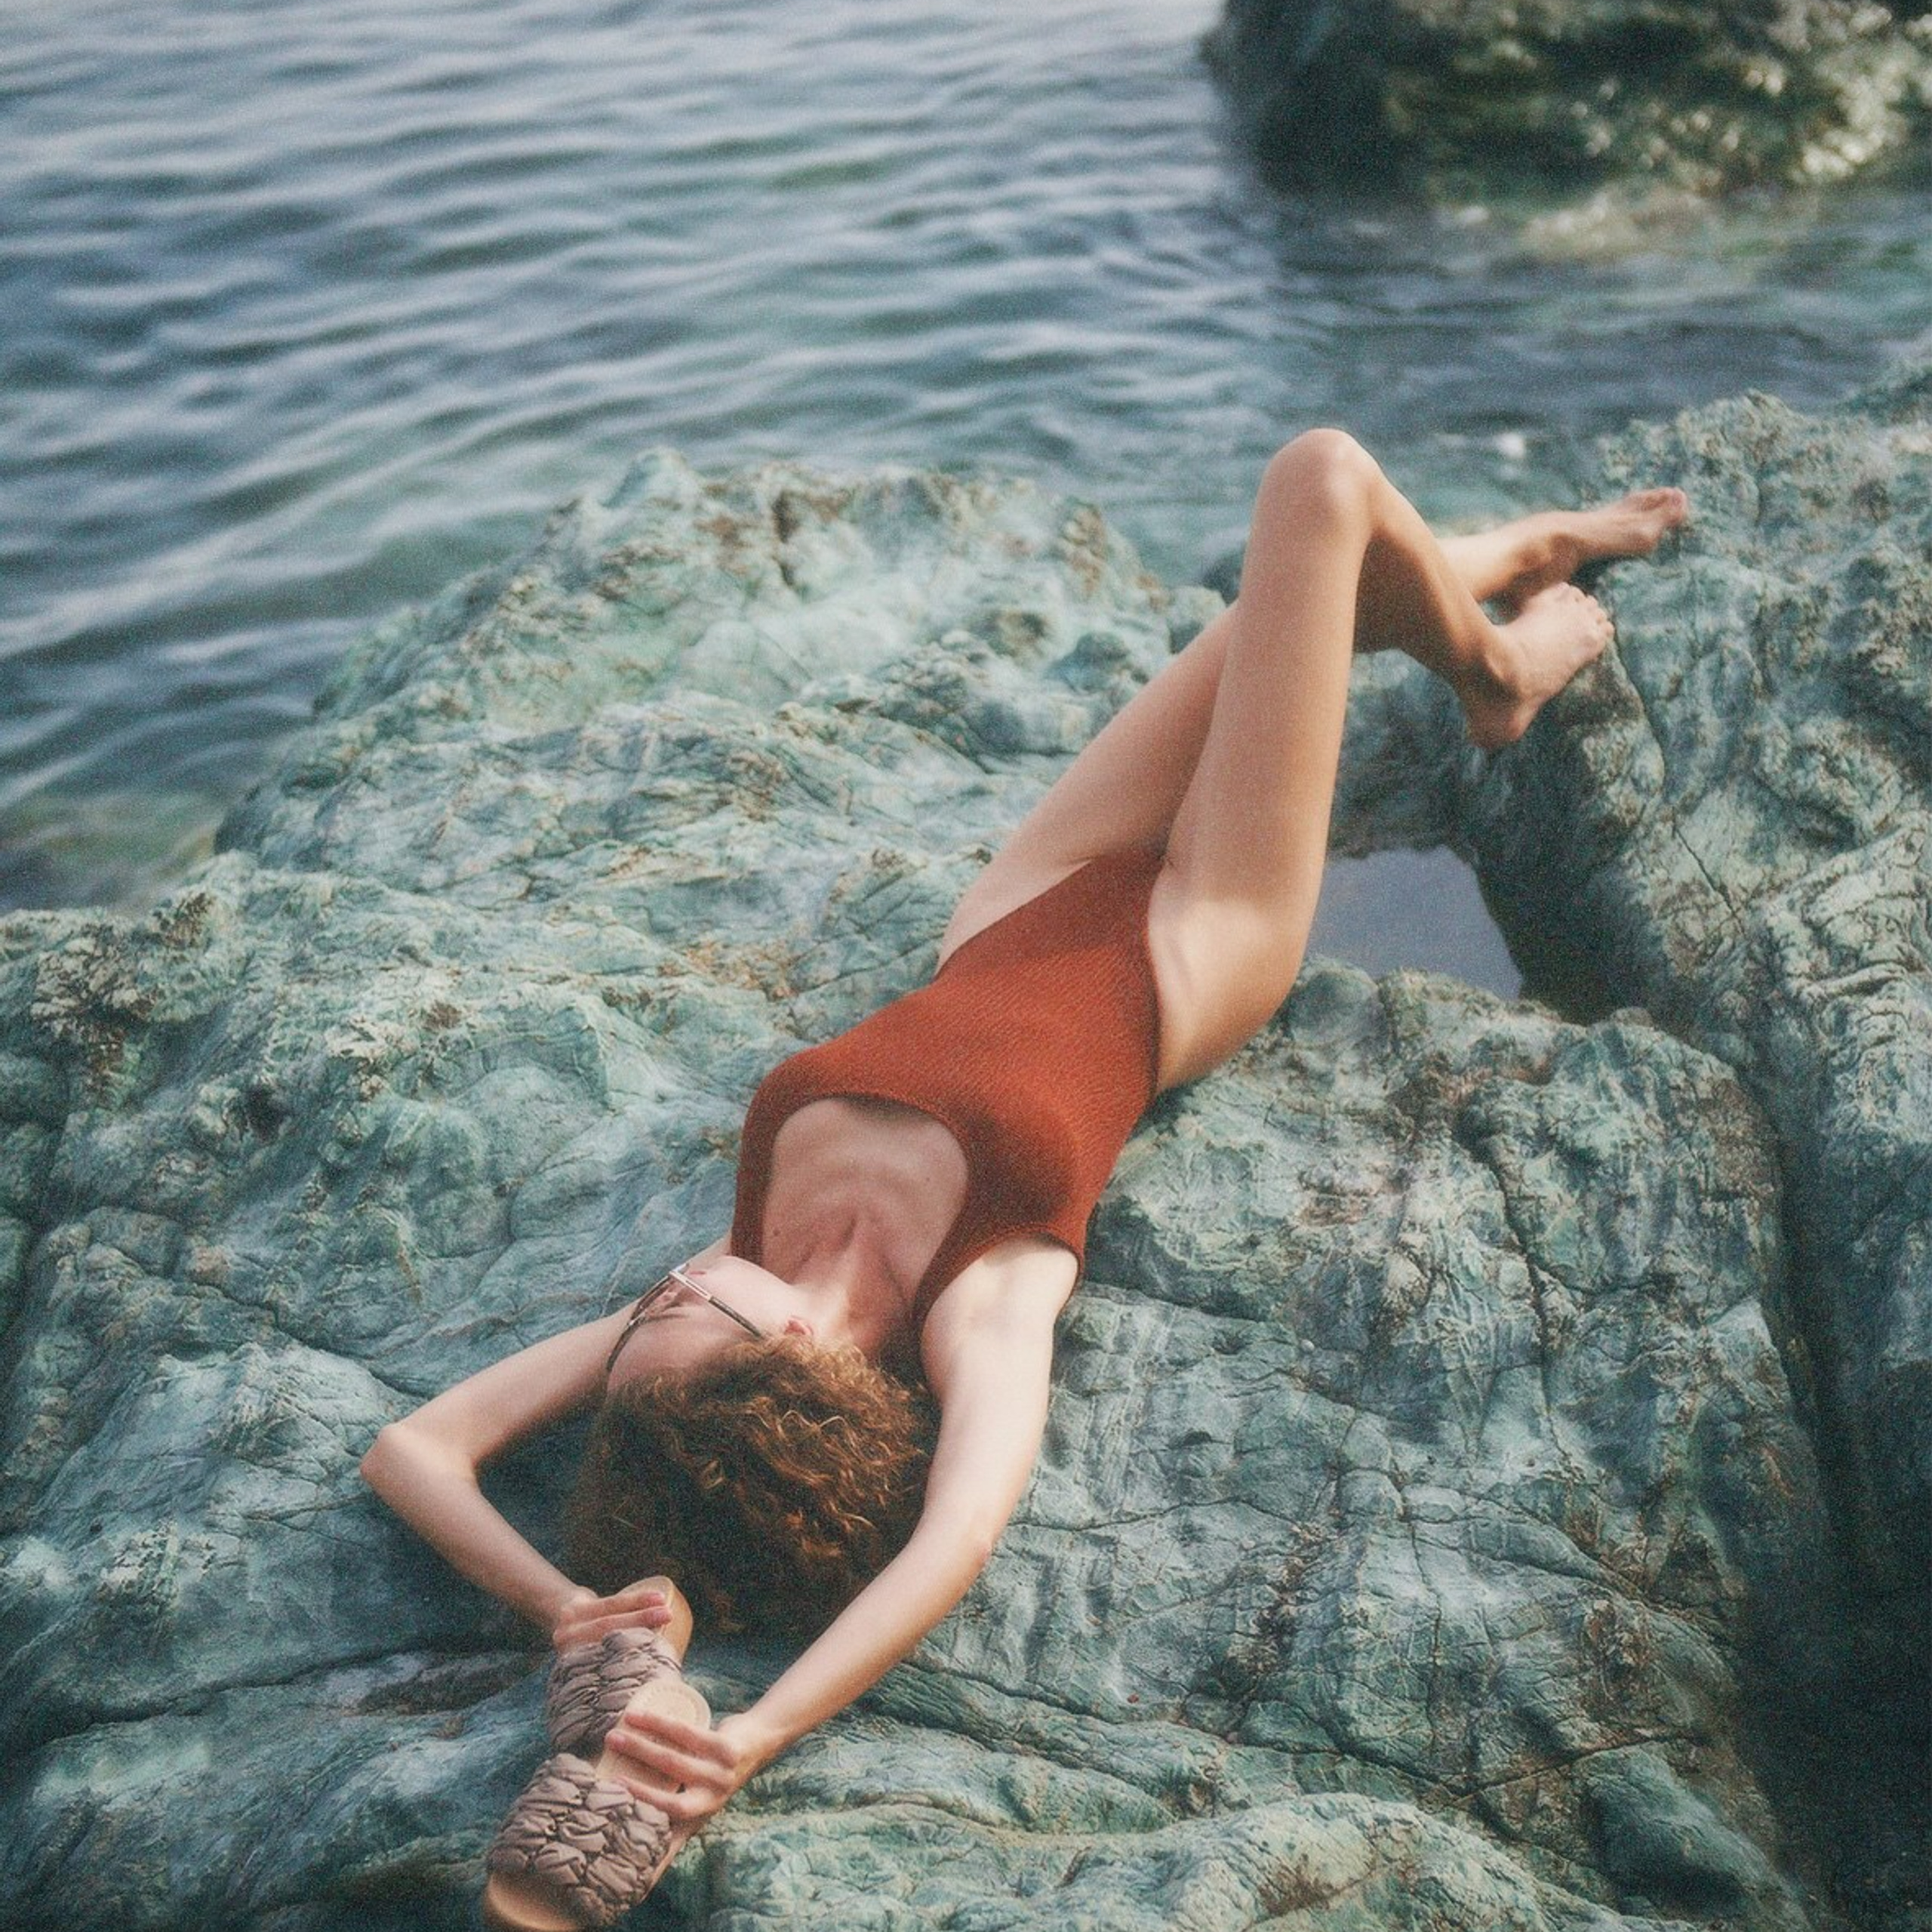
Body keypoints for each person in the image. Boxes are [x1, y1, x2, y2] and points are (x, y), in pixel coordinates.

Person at [360, 432, 1687, 1915]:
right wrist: (758, 1730)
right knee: (1316, 486)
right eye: (686, 1305)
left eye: (659, 1301)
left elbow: (414, 1448)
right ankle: (1494, 671)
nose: (664, 1285)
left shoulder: (714, 1315)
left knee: (1291, 599)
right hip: (1195, 945)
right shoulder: (981, 1298)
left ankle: (1487, 572)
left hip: (1019, 905)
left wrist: (567, 1606)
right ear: (790, 1361)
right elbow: (958, 1533)